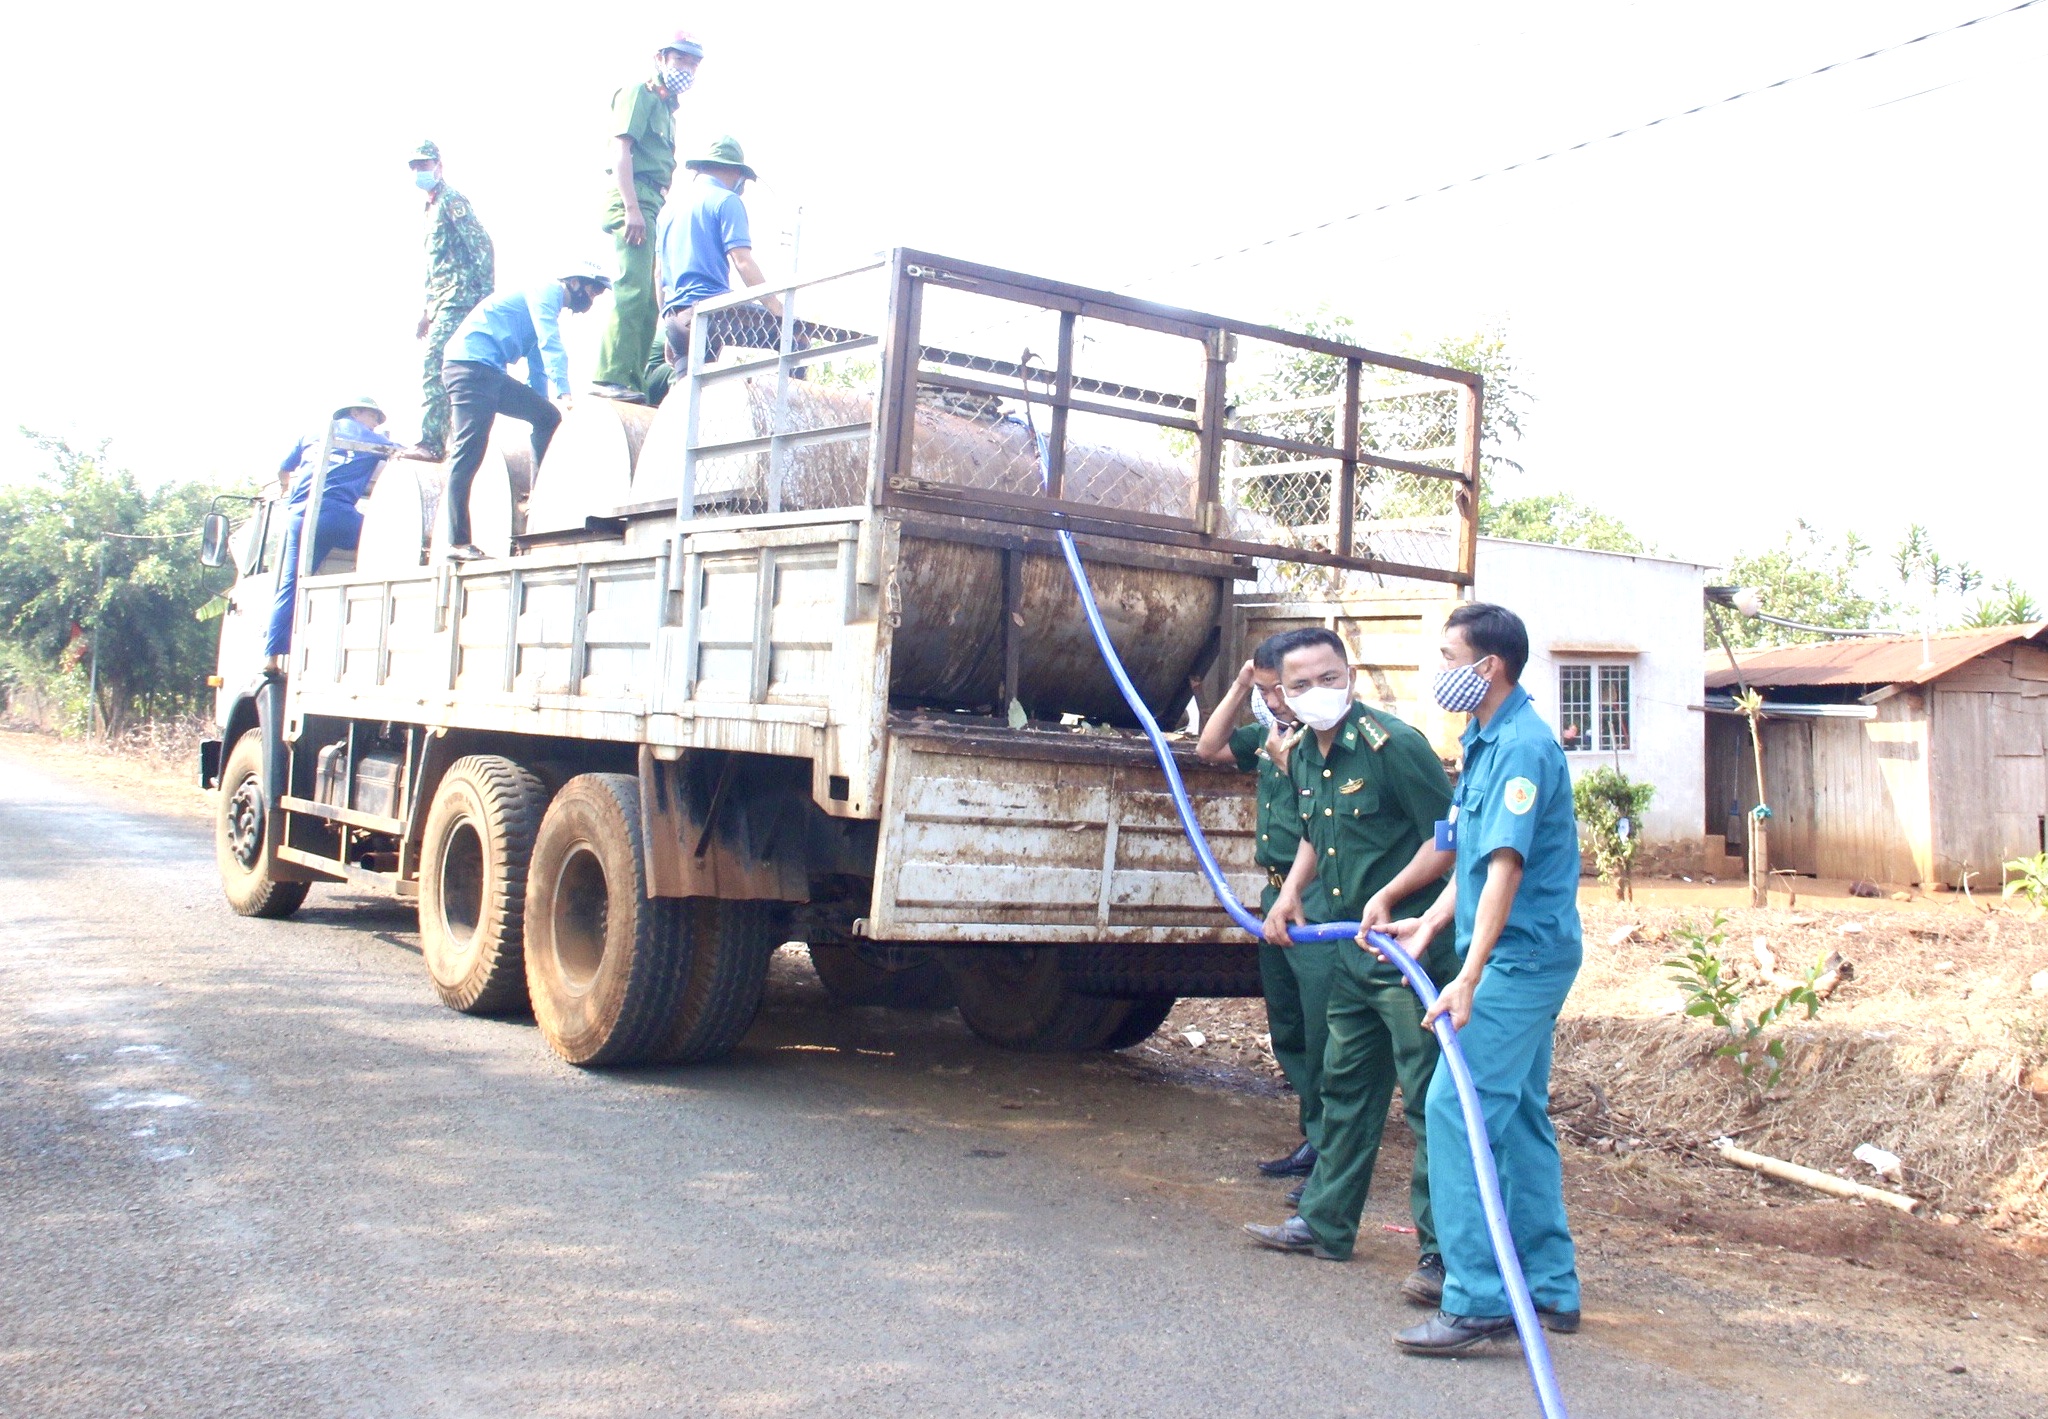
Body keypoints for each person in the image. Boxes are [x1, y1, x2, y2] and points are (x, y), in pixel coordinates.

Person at [1364, 603, 1585, 1356]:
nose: (1439, 667)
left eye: (1447, 654)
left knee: (1455, 1107)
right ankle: (1549, 1282)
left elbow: (1505, 868)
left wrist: (1469, 973)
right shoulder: (1485, 739)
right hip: (1520, 952)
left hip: (1521, 959)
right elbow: (1462, 849)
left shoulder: (1522, 747)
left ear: (1486, 666)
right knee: (1518, 1112)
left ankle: (1479, 1297)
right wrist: (1420, 920)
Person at [1240, 628, 1457, 1308]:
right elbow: (1313, 830)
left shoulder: (1397, 747)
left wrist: (1390, 896)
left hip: (1406, 955)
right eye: (1298, 685)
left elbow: (1447, 841)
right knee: (1344, 1088)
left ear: (1350, 675)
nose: (1314, 693)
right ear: (1280, 692)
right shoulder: (1302, 754)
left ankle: (1445, 1255)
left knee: (1430, 1103)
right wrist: (1291, 892)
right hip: (1347, 954)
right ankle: (1326, 1221)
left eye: (1326, 678)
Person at [1195, 639, 1318, 1184]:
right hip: (1274, 897)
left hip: (1318, 899)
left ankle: (1328, 1144)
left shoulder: (1325, 738)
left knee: (1324, 1025)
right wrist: (1242, 685)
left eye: (1279, 688)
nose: (1275, 700)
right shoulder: (1270, 735)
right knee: (1288, 1022)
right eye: (1267, 690)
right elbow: (1207, 747)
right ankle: (1316, 1135)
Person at [440, 262, 613, 561]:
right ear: (574, 281)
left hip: (489, 373)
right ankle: (457, 542)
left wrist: (546, 401)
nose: (593, 299)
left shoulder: (543, 305)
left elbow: (537, 366)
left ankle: (539, 492)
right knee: (469, 451)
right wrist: (565, 391)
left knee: (546, 417)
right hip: (470, 369)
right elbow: (550, 341)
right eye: (592, 290)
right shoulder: (545, 291)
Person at [590, 31, 704, 402]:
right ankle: (610, 377)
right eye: (681, 59)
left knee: (651, 300)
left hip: (652, 202)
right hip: (633, 196)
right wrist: (631, 208)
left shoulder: (668, 109)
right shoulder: (639, 94)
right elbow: (620, 152)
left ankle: (632, 381)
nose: (687, 68)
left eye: (693, 63)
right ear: (660, 58)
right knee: (632, 289)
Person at [644, 136, 784, 405]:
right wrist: (776, 307)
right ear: (734, 171)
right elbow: (742, 261)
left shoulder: (667, 211)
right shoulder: (726, 201)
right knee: (797, 338)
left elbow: (658, 274)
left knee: (690, 399)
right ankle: (787, 423)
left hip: (677, 319)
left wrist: (668, 326)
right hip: (712, 315)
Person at [264, 400, 399, 668]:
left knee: (291, 583)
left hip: (299, 516)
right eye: (373, 417)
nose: (375, 424)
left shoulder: (310, 434)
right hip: (336, 514)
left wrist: (284, 488)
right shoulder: (370, 439)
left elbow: (284, 468)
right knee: (390, 544)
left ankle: (271, 658)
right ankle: (374, 621)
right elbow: (407, 457)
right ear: (355, 412)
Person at [409, 140, 494, 461]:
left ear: (439, 165)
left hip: (461, 298)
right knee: (445, 366)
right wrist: (426, 312)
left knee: (436, 363)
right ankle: (443, 440)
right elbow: (436, 265)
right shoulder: (429, 207)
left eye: (425, 164)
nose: (420, 171)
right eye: (415, 166)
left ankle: (432, 443)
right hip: (442, 302)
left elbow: (482, 245)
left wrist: (485, 300)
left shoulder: (451, 200)